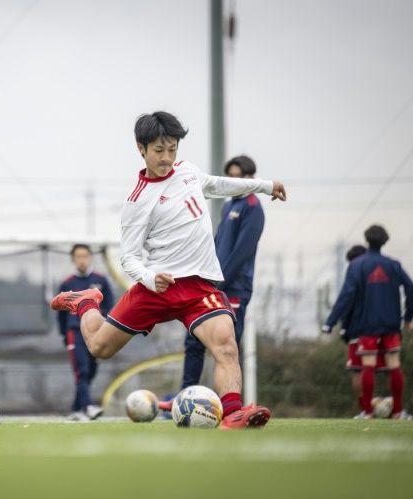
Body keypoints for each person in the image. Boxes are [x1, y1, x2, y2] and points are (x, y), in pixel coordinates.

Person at [50, 111, 286, 429]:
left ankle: (232, 414)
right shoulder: (136, 201)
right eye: (159, 150)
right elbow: (129, 258)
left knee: (226, 344)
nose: (167, 157)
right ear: (141, 149)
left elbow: (217, 185)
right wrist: (150, 277)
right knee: (98, 348)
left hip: (198, 287)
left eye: (172, 148)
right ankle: (86, 302)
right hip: (157, 288)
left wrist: (265, 185)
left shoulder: (186, 171)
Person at [181, 155, 264, 389]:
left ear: (251, 179)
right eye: (231, 177)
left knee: (228, 349)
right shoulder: (228, 206)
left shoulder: (253, 207)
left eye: (239, 177)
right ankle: (185, 396)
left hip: (233, 288)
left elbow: (242, 253)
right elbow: (216, 245)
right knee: (193, 341)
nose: (234, 181)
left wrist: (217, 283)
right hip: (212, 286)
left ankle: (229, 406)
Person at [321, 225, 413, 419]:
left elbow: (346, 295)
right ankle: (398, 412)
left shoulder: (357, 266)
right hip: (391, 324)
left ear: (367, 240)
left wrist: (330, 323)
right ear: (385, 241)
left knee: (368, 366)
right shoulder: (393, 265)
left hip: (367, 325)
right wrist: (408, 316)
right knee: (394, 366)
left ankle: (367, 412)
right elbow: (411, 288)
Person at [57, 244, 115, 421]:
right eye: (78, 256)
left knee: (90, 372)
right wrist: (64, 335)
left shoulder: (101, 280)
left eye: (85, 256)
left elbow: (111, 307)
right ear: (73, 259)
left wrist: (107, 330)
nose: (82, 259)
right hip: (75, 333)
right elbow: (61, 313)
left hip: (97, 333)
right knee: (81, 372)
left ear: (90, 258)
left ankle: (76, 409)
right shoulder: (67, 283)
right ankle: (89, 407)